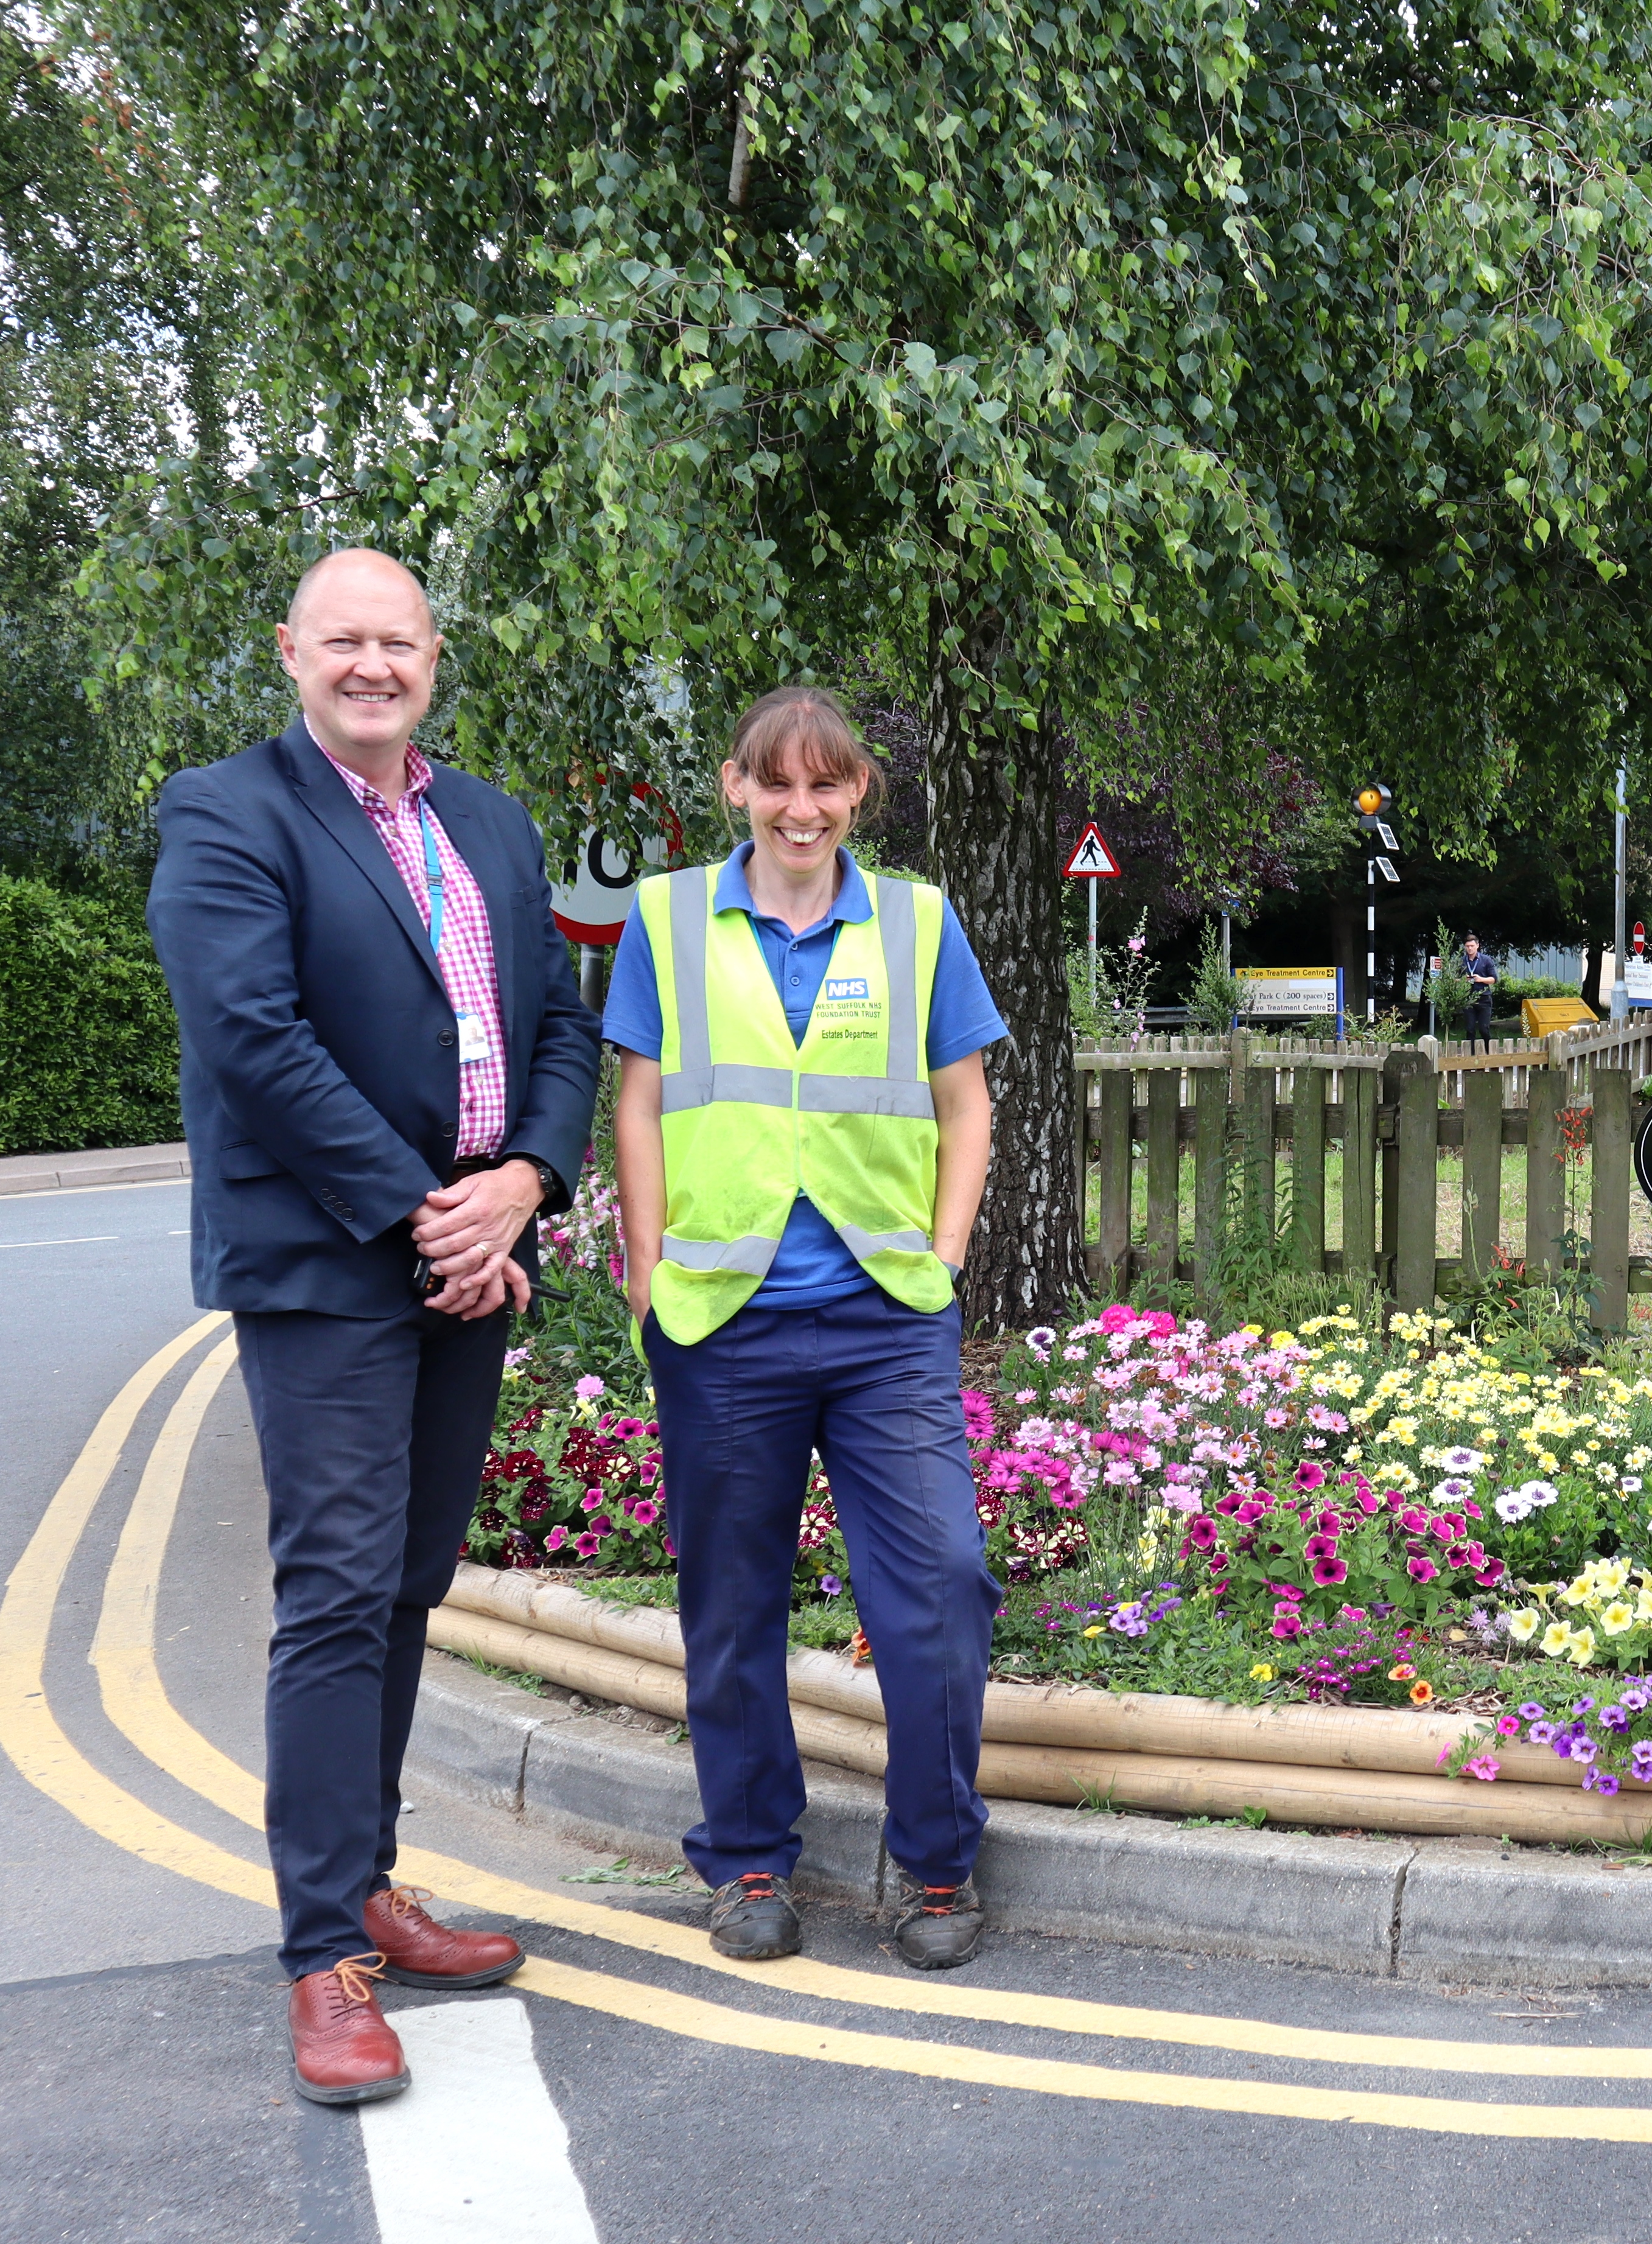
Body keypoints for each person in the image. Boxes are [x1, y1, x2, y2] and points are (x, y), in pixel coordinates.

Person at [147, 548, 602, 2106]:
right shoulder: (225, 813)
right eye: (342, 639)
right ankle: (319, 1959)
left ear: (431, 654)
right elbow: (251, 1039)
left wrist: (527, 1181)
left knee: (408, 1578)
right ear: (291, 650)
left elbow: (554, 1018)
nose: (370, 663)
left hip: (471, 1248)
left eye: (395, 640)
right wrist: (433, 1209)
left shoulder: (488, 818)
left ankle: (372, 1885)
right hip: (334, 1262)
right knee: (338, 1588)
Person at [604, 686, 1009, 1971]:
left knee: (939, 1585)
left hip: (886, 1320)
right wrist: (646, 1271)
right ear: (734, 786)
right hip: (722, 1323)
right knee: (731, 1603)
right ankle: (747, 1860)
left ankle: (936, 1861)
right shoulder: (666, 918)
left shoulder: (916, 920)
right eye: (776, 783)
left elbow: (967, 1103)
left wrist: (942, 1260)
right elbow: (640, 1101)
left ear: (856, 793)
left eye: (825, 785)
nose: (800, 807)